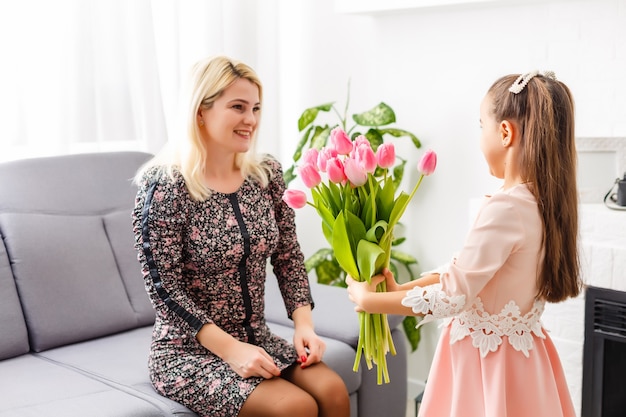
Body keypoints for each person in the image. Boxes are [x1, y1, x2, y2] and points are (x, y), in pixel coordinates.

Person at [346, 70, 581, 417]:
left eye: (481, 124)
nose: (479, 135)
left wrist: (368, 300)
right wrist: (407, 287)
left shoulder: (506, 208)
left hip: (485, 364)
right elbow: (466, 275)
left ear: (505, 132)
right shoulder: (541, 202)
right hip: (524, 361)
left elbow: (455, 295)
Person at [132, 55, 349, 417]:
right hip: (188, 351)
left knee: (333, 392)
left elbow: (288, 256)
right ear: (201, 111)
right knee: (292, 408)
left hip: (257, 337)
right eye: (238, 107)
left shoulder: (265, 175)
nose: (251, 119)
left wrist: (304, 325)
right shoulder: (165, 187)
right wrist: (232, 350)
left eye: (256, 108)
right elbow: (164, 289)